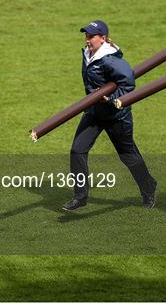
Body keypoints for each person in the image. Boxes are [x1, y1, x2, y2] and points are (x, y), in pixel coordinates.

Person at [62, 20, 157, 211]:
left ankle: (148, 187)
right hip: (94, 113)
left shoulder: (110, 59)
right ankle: (80, 197)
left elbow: (128, 85)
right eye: (86, 35)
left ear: (103, 38)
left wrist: (110, 97)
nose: (87, 40)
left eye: (91, 36)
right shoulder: (88, 53)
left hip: (116, 115)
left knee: (128, 156)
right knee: (77, 150)